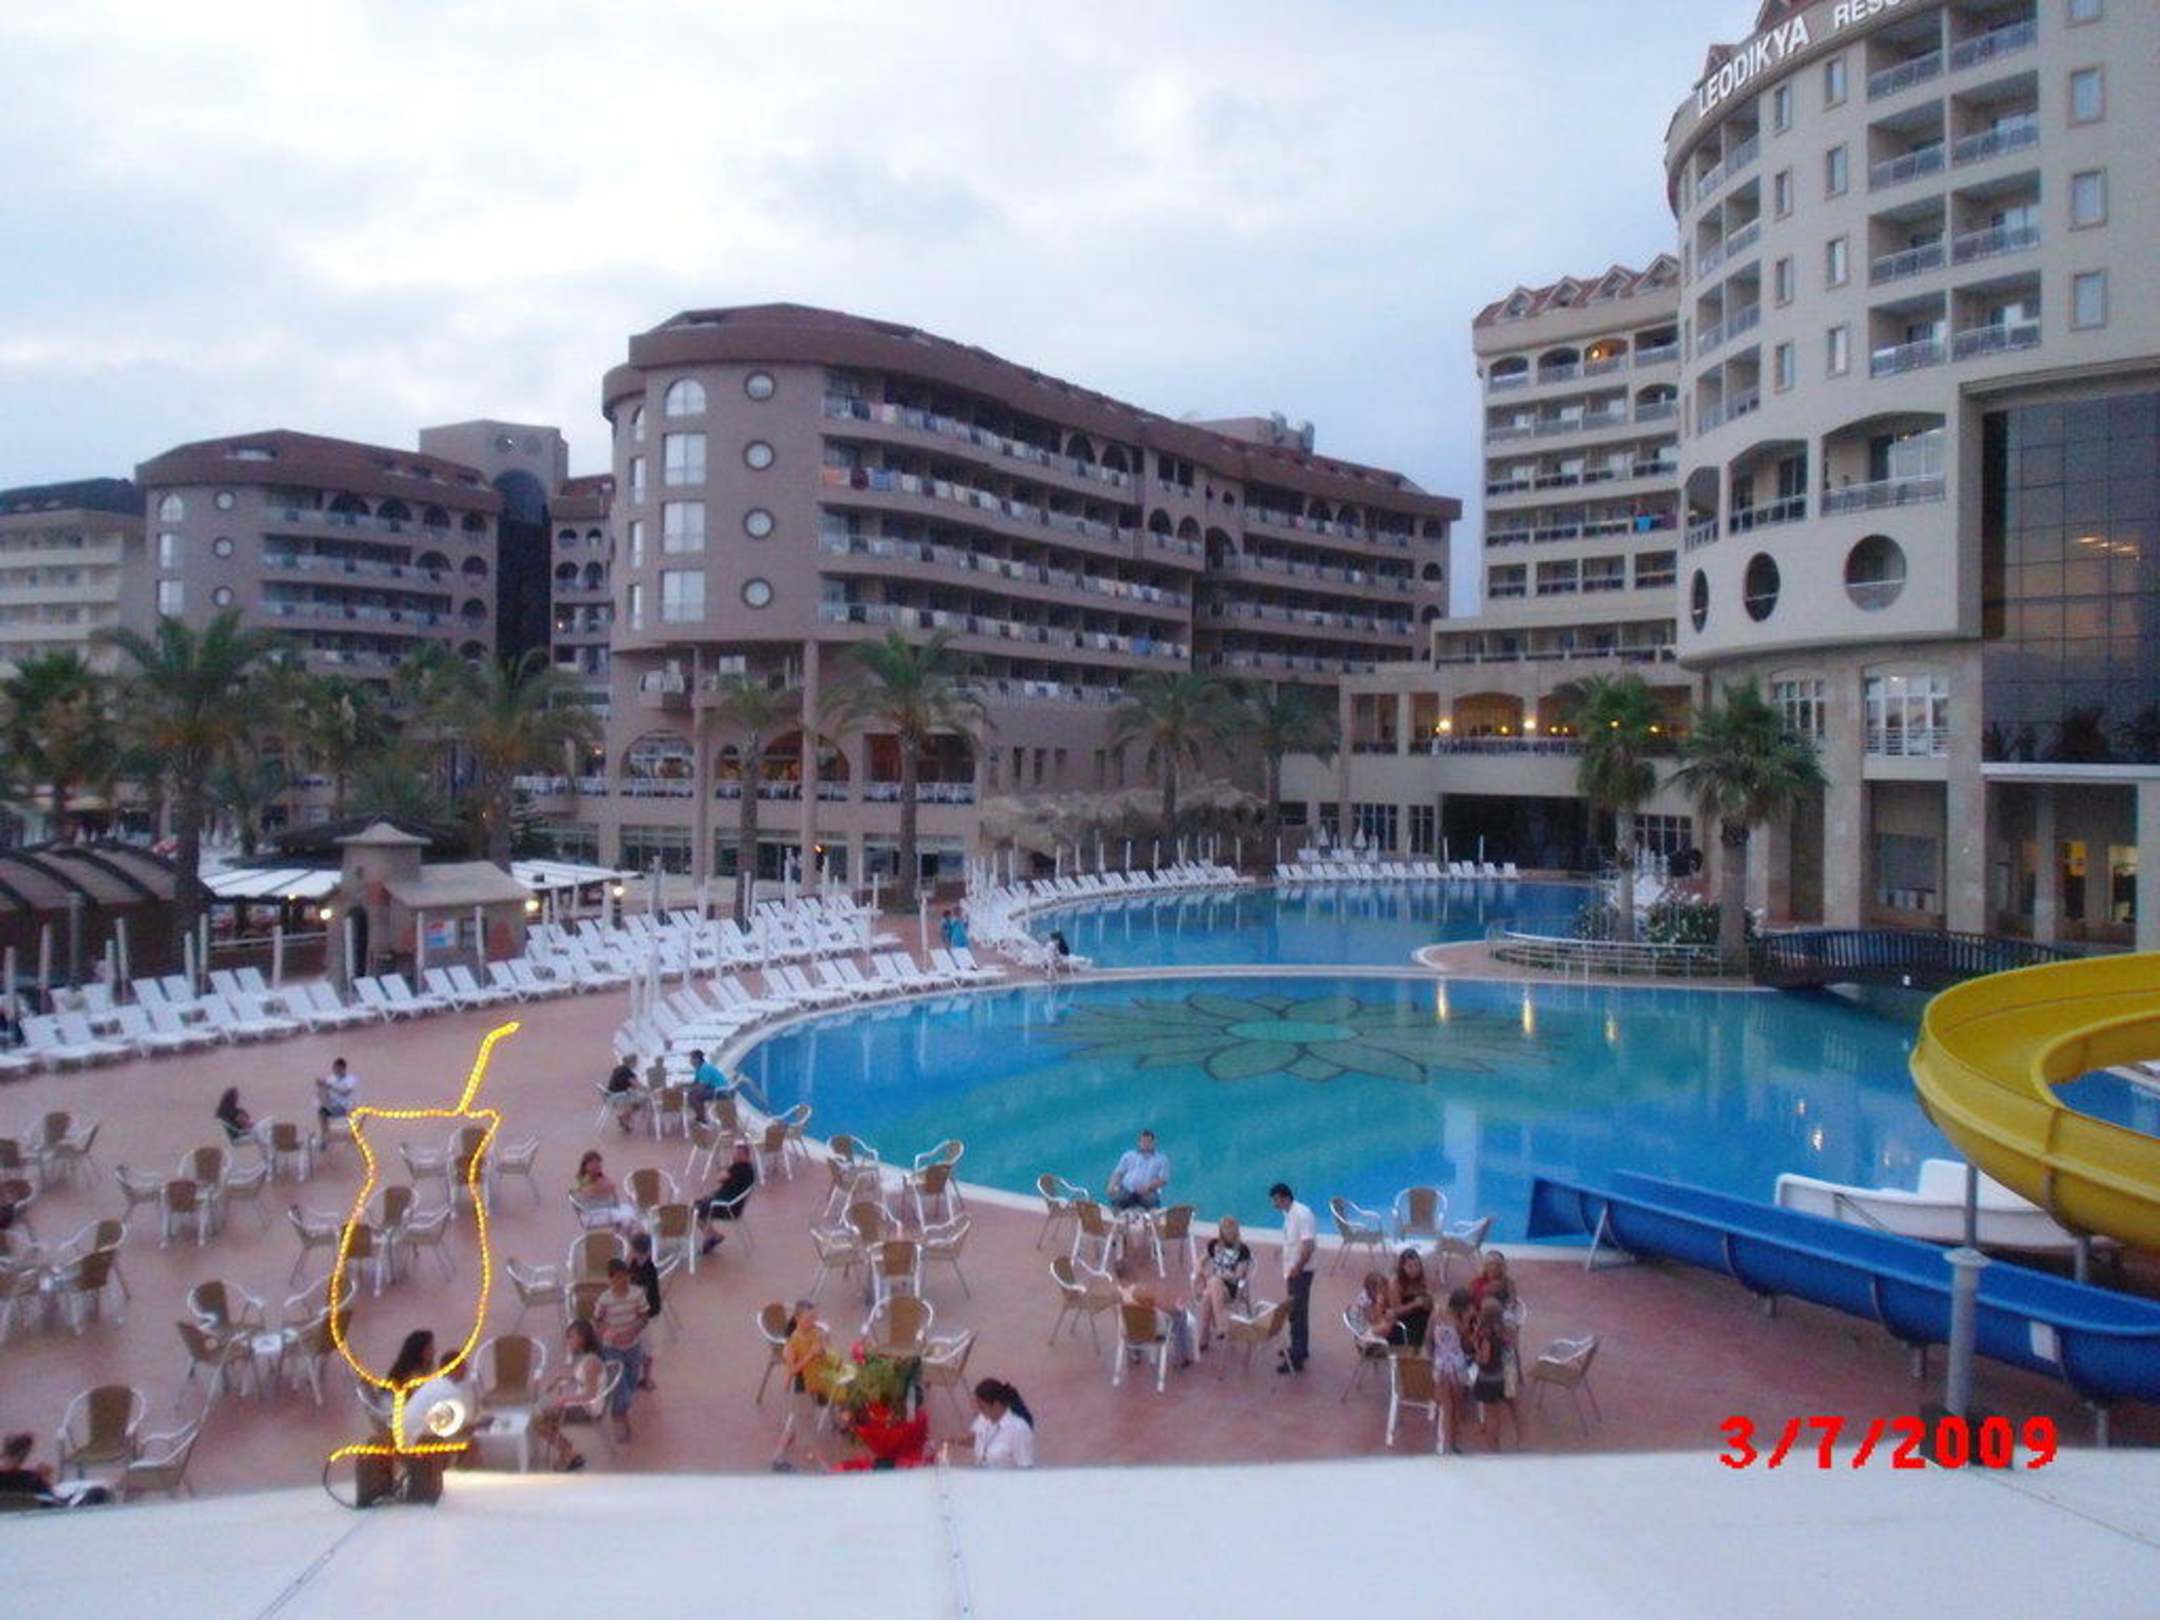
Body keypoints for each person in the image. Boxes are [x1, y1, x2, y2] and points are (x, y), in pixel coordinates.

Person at [532, 1319, 605, 1472]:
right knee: (545, 1417)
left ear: (582, 1339)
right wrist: (558, 1379)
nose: (568, 1341)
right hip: (581, 1403)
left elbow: (590, 1395)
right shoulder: (585, 1357)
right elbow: (577, 1376)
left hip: (588, 1409)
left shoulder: (591, 1362)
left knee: (538, 1421)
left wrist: (565, 1399)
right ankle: (567, 1451)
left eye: (571, 1337)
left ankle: (568, 1452)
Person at [591, 1259, 650, 1440]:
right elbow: (597, 1320)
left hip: (633, 1347)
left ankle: (621, 1409)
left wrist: (633, 1331)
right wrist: (609, 1334)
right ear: (610, 1279)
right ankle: (619, 1416)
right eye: (617, 1278)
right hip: (612, 1348)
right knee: (619, 1384)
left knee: (631, 1382)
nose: (622, 1281)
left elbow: (644, 1316)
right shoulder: (604, 1299)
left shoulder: (637, 1294)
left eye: (625, 1277)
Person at [1270, 1181, 1317, 1375]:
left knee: (1296, 1313)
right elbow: (1293, 1240)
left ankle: (1296, 1360)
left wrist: (1298, 1267)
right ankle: (1300, 1349)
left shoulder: (1302, 1215)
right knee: (1298, 1311)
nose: (1274, 1204)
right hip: (1292, 1271)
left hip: (1300, 1272)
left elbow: (1308, 1245)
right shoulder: (1288, 1214)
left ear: (1284, 1197)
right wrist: (1282, 1251)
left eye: (1275, 1200)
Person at [1190, 1215, 1252, 1350]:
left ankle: (1208, 1334)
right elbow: (1199, 1261)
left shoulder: (1242, 1250)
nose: (1228, 1231)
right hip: (1214, 1287)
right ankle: (1217, 1328)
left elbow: (1238, 1275)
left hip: (1231, 1289)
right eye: (1225, 1228)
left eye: (1231, 1228)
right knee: (1211, 1288)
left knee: (1211, 1288)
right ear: (1221, 1230)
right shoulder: (1214, 1244)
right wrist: (1201, 1272)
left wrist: (1224, 1276)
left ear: (1236, 1230)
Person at [1467, 1296, 1521, 1448]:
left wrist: (1477, 1352)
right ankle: (1515, 1436)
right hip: (1501, 1375)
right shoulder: (1502, 1331)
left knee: (1491, 1416)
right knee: (1501, 1410)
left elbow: (1484, 1359)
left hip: (1487, 1379)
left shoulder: (1487, 1337)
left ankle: (1493, 1446)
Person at [1429, 1288, 1474, 1454]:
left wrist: (1432, 1358)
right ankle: (1454, 1441)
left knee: (1445, 1407)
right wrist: (1468, 1321)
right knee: (1456, 1406)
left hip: (1440, 1364)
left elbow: (1429, 1339)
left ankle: (1443, 1442)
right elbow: (1466, 1343)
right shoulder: (1458, 1321)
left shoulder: (1436, 1315)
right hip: (1456, 1365)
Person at [696, 1141, 758, 1255]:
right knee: (699, 1204)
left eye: (736, 1154)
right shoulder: (749, 1169)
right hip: (731, 1204)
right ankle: (712, 1235)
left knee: (695, 1212)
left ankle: (712, 1236)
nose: (733, 1156)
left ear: (744, 1155)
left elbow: (719, 1178)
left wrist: (728, 1167)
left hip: (727, 1207)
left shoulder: (737, 1168)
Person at [782, 1300, 844, 1402]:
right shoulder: (792, 1342)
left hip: (823, 1369)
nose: (813, 1322)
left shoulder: (814, 1330)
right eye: (809, 1319)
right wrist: (811, 1354)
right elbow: (792, 1370)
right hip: (811, 1378)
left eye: (814, 1318)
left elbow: (826, 1350)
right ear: (797, 1318)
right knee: (844, 1391)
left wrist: (824, 1346)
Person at [967, 1379, 1036, 1468]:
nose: (979, 1410)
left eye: (982, 1407)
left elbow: (1025, 1467)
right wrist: (953, 1440)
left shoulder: (1019, 1429)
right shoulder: (983, 1420)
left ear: (996, 1404)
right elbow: (973, 1439)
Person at [626, 1234, 662, 1391]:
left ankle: (647, 1378)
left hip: (648, 1314)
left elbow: (642, 1291)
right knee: (637, 1345)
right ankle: (637, 1375)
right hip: (637, 1312)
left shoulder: (649, 1269)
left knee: (647, 1348)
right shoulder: (633, 1264)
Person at [1106, 1129, 1169, 1212]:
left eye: (1149, 1142)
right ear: (1139, 1143)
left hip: (1148, 1192)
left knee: (1152, 1205)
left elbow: (1163, 1180)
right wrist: (1111, 1185)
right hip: (1127, 1190)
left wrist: (1148, 1187)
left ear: (1154, 1143)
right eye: (1143, 1142)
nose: (1146, 1145)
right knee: (1116, 1201)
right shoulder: (1129, 1156)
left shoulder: (1161, 1159)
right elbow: (1118, 1173)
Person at [1391, 1249, 1435, 1350]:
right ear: (1403, 1267)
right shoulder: (1396, 1283)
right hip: (1405, 1320)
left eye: (1417, 1265)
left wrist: (1428, 1301)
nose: (1414, 1269)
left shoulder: (1422, 1280)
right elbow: (1395, 1310)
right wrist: (1414, 1304)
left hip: (1423, 1316)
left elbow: (1430, 1299)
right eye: (1410, 1266)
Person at [316, 1057, 358, 1146]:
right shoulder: (330, 1078)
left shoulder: (351, 1079)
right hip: (332, 1106)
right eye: (334, 1068)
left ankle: (326, 1136)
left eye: (337, 1069)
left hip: (345, 1107)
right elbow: (324, 1093)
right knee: (321, 1110)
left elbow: (345, 1092)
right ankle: (324, 1136)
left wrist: (330, 1086)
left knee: (324, 1110)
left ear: (343, 1068)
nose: (335, 1071)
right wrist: (321, 1086)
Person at [603, 1060, 645, 1133]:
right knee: (641, 1100)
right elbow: (637, 1085)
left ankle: (625, 1119)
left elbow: (625, 1083)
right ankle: (624, 1117)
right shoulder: (627, 1072)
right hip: (618, 1098)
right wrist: (646, 1088)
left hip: (610, 1096)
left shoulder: (618, 1069)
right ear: (632, 1063)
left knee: (635, 1097)